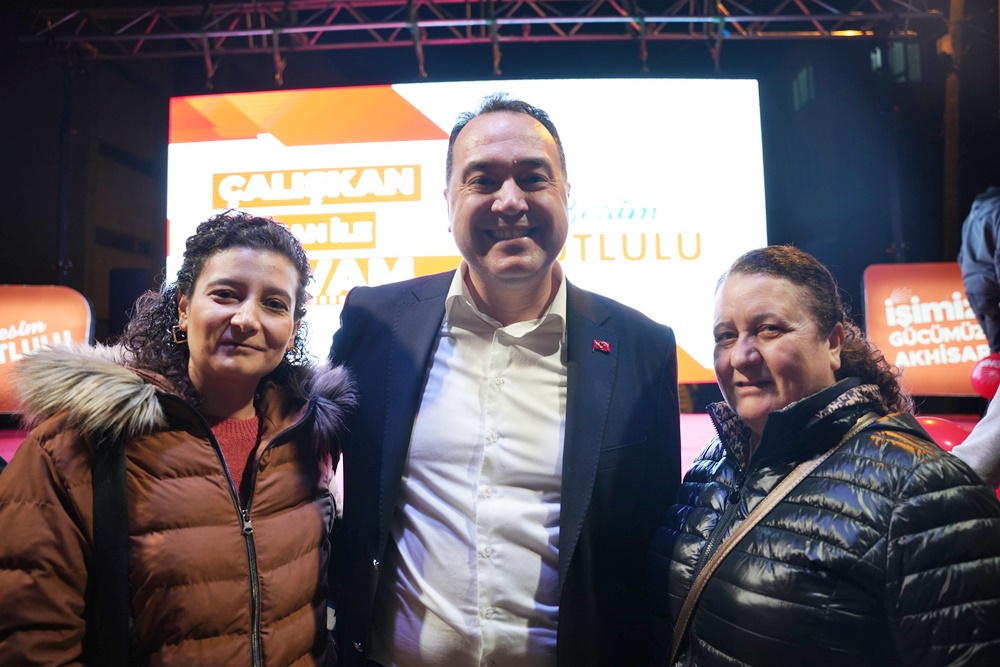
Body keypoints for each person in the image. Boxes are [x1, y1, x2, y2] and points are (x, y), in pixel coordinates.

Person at [330, 93, 682, 666]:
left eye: (534, 178)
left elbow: (656, 542)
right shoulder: (377, 323)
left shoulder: (641, 347)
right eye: (483, 180)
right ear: (448, 202)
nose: (510, 201)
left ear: (566, 194)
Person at [0, 211, 355, 665]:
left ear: (292, 331)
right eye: (225, 294)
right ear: (184, 309)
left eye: (274, 304)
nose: (247, 319)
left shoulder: (310, 439)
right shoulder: (77, 444)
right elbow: (32, 640)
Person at [650, 245, 1000, 666]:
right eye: (726, 335)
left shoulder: (925, 491)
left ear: (833, 344)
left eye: (769, 329)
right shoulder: (714, 461)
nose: (741, 355)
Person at [958, 186, 1000, 353]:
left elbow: (961, 257)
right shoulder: (997, 211)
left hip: (975, 289)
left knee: (996, 348)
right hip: (993, 285)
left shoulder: (971, 217)